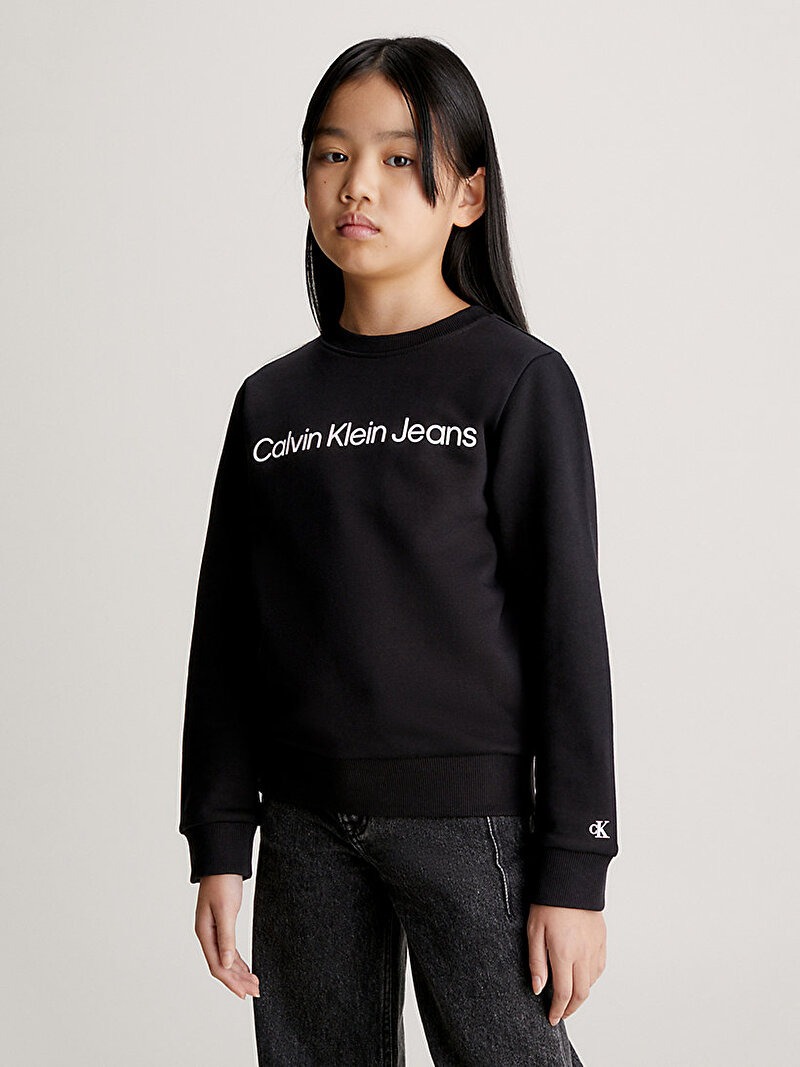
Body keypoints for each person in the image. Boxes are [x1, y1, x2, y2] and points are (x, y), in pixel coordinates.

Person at [178, 35, 619, 1067]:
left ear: (466, 194)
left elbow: (566, 628)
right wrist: (219, 839)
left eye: (397, 157)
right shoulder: (270, 402)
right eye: (332, 154)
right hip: (301, 822)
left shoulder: (517, 382)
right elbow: (227, 635)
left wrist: (574, 867)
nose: (357, 184)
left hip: (471, 823)